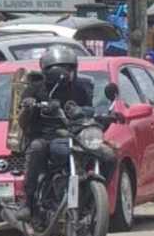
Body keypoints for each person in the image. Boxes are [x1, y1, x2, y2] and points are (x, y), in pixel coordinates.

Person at [15, 45, 94, 222]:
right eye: (58, 68)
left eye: (69, 68)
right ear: (46, 70)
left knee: (107, 154)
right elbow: (22, 121)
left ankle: (91, 198)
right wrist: (29, 106)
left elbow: (89, 110)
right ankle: (27, 201)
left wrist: (104, 114)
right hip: (44, 136)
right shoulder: (36, 88)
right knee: (36, 148)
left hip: (73, 136)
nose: (64, 72)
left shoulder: (81, 88)